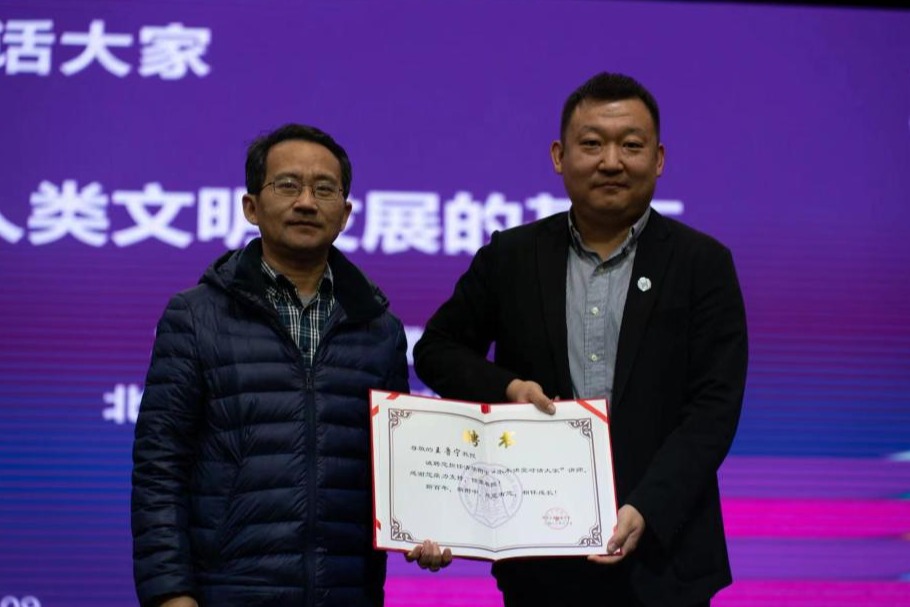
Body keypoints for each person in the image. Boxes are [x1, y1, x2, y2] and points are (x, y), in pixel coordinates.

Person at [413, 72, 748, 606]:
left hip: (666, 560)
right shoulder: (511, 256)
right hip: (540, 559)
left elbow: (714, 408)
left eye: (631, 145)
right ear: (559, 156)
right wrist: (509, 390)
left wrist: (648, 507)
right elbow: (436, 350)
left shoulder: (702, 264)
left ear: (659, 159)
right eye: (592, 144)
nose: (611, 162)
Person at [131, 123, 445, 607]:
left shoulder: (380, 331)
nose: (306, 202)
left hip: (345, 594)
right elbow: (160, 468)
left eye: (324, 189)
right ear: (251, 207)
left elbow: (397, 475)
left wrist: (430, 526)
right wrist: (170, 594)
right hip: (227, 593)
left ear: (345, 214)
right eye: (287, 185)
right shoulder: (194, 317)